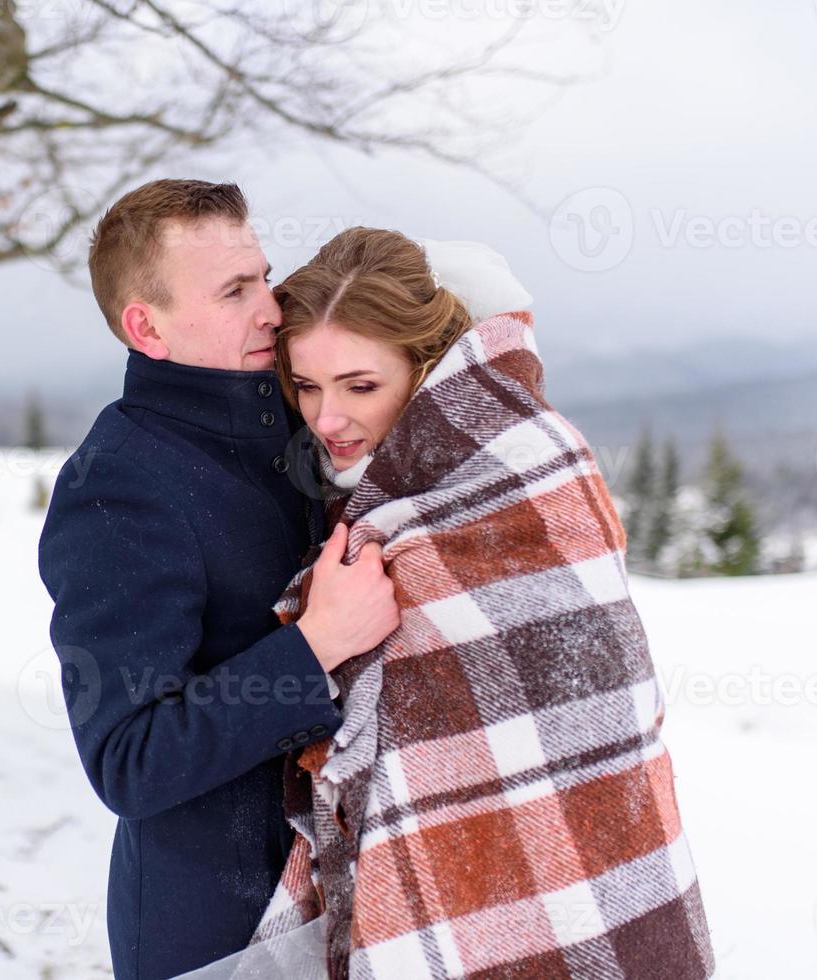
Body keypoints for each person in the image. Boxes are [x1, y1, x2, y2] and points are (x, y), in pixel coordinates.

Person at [244, 228, 714, 979]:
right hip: (426, 876)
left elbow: (593, 715)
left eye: (360, 385)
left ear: (426, 370)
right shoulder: (352, 505)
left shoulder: (533, 467)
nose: (326, 419)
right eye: (306, 386)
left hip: (592, 863)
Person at [36, 180, 401, 980]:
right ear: (147, 325)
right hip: (224, 934)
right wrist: (316, 646)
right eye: (236, 290)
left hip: (349, 898)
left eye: (263, 277)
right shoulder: (117, 485)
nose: (271, 308)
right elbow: (130, 760)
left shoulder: (298, 420)